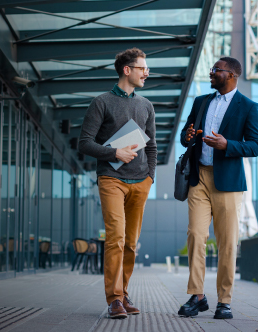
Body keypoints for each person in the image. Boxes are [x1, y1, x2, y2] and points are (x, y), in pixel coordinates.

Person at [178, 57, 258, 319]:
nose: (211, 72)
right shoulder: (201, 101)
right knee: (195, 234)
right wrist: (187, 136)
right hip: (199, 178)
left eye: (217, 70)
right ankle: (197, 295)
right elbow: (185, 135)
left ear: (233, 75)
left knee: (227, 243)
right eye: (212, 69)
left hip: (228, 182)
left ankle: (224, 300)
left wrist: (229, 145)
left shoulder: (249, 107)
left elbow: (256, 145)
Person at [79, 48, 157, 319]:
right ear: (127, 70)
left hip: (140, 182)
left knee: (132, 243)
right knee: (116, 239)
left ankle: (123, 294)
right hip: (111, 179)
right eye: (142, 68)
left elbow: (152, 146)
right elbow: (85, 143)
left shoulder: (146, 105)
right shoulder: (101, 102)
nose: (147, 72)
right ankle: (113, 300)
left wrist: (150, 178)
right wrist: (115, 153)